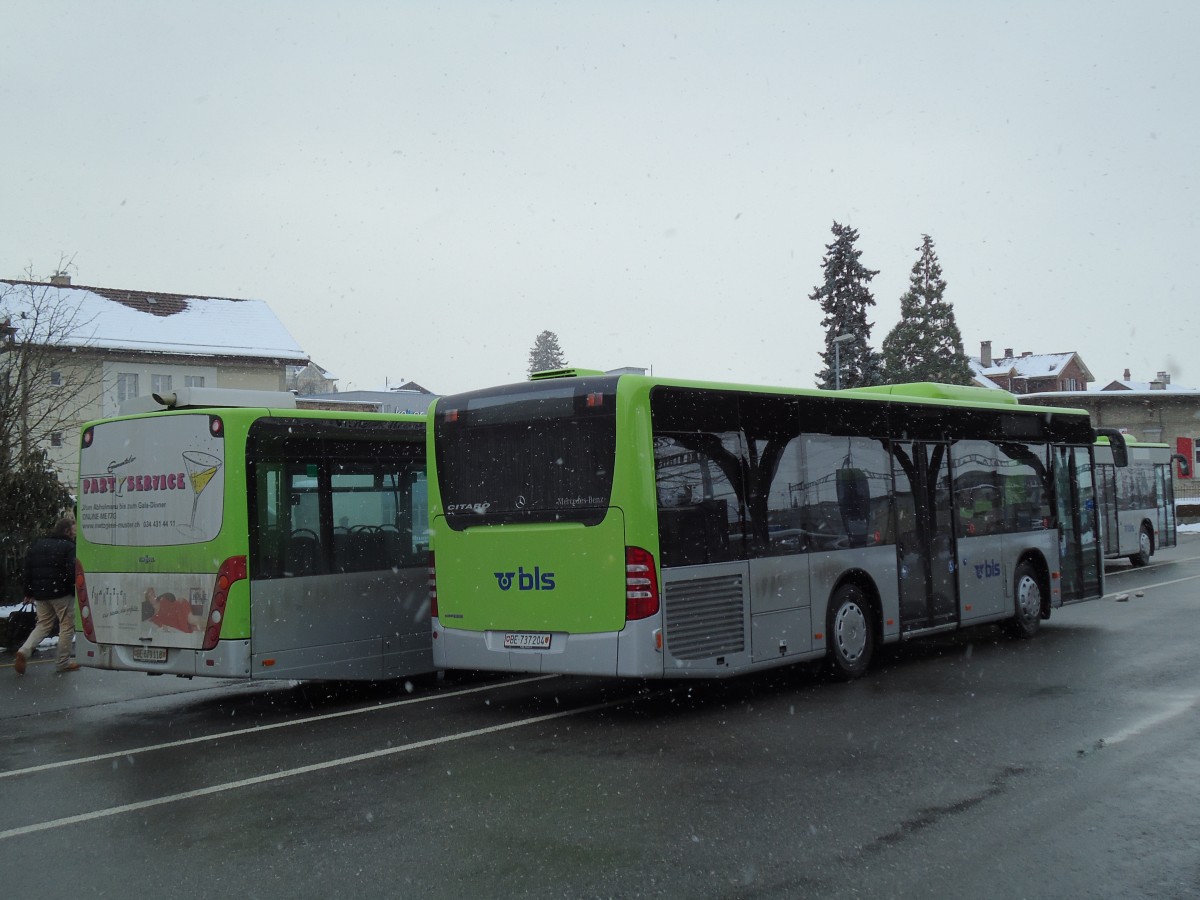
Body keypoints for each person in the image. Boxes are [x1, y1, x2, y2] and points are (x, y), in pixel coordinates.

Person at [14, 517, 78, 675]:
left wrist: (28, 592)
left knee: (43, 625)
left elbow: (27, 570)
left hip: (41, 594)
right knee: (66, 626)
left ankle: (24, 651)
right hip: (61, 593)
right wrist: (73, 590)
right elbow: (72, 572)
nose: (75, 531)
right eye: (73, 528)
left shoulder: (37, 544)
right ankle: (63, 662)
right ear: (66, 531)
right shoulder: (69, 547)